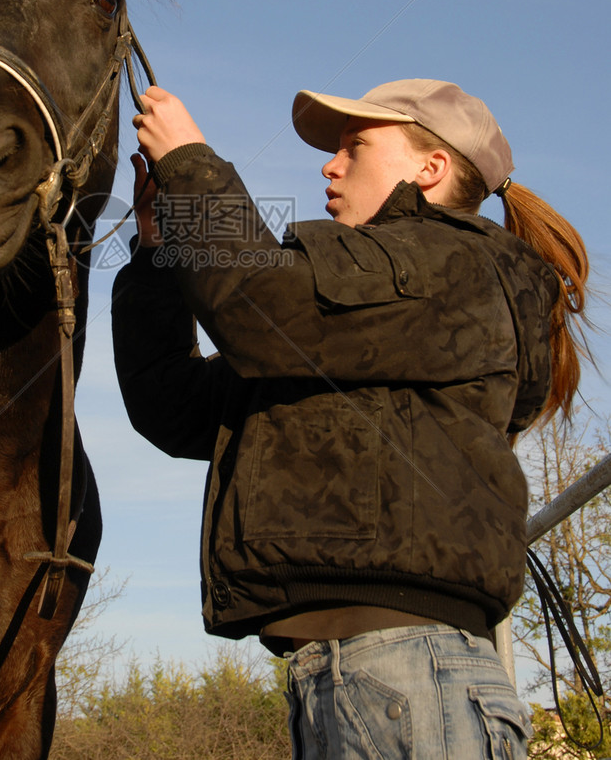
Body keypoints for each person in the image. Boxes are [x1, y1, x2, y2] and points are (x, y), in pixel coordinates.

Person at [111, 78, 589, 759]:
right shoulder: (358, 314)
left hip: (409, 675)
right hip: (352, 677)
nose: (331, 165)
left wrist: (189, 160)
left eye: (355, 146)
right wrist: (160, 252)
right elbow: (174, 405)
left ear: (432, 169)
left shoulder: (459, 267)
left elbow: (257, 302)